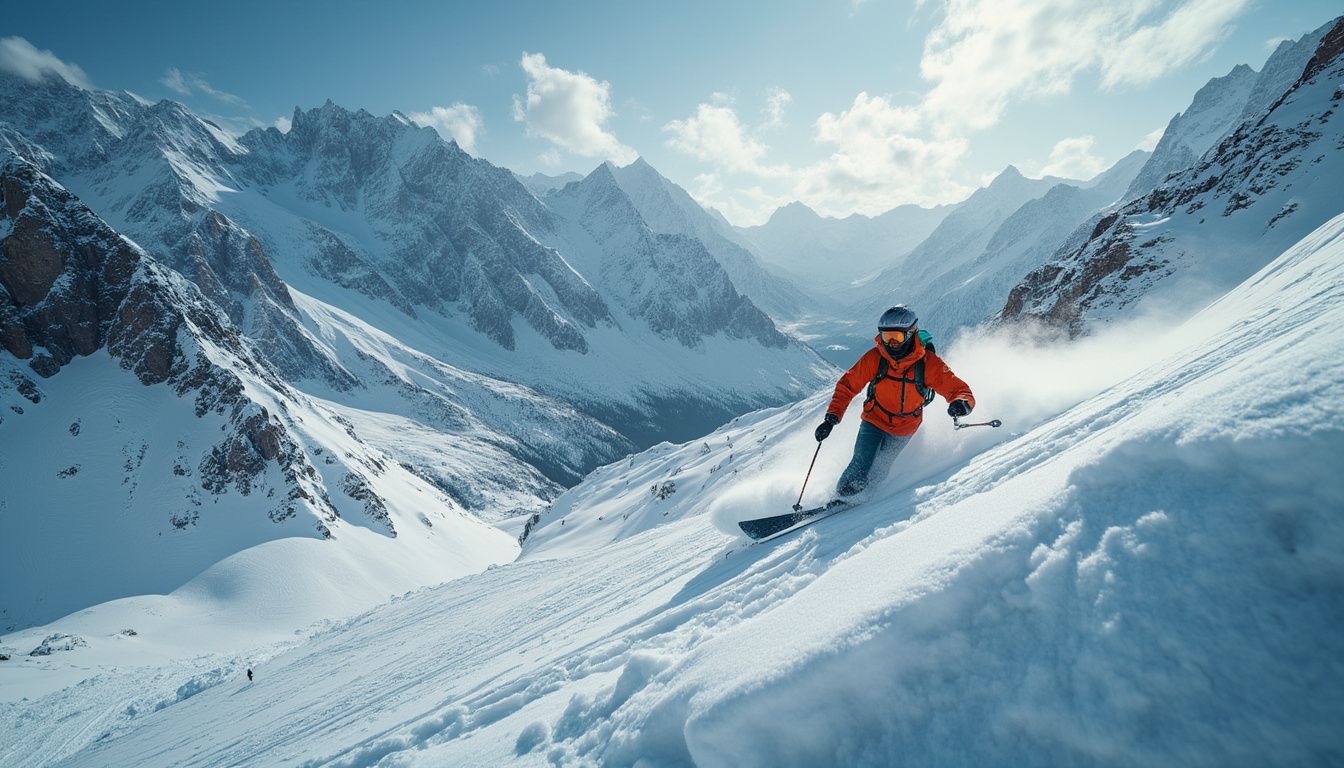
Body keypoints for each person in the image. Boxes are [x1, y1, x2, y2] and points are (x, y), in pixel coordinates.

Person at [814, 305, 975, 498]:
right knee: (861, 462)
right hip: (873, 419)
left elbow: (960, 390)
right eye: (886, 337)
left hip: (904, 427)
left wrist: (961, 403)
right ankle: (841, 498)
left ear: (910, 334)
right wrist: (832, 417)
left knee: (881, 469)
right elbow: (847, 385)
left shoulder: (928, 364)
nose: (890, 343)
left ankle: (865, 501)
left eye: (896, 337)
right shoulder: (875, 358)